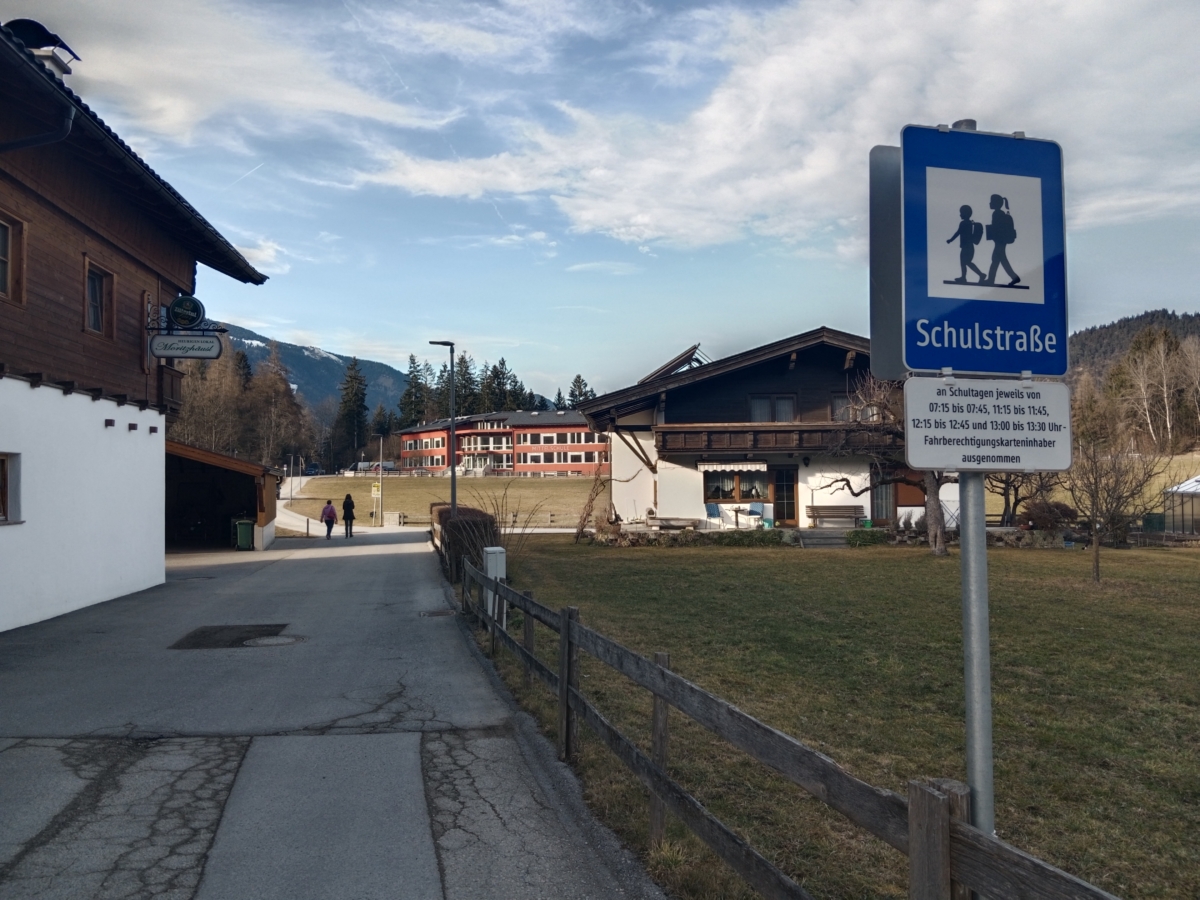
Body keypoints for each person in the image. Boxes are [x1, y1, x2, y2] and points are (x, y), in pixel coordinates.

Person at [985, 193, 1020, 286]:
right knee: (997, 260)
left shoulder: (996, 213)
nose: (989, 203)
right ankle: (991, 279)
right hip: (1000, 240)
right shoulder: (999, 213)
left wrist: (993, 235)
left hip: (999, 240)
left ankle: (1014, 277)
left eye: (991, 202)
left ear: (996, 203)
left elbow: (997, 227)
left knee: (1000, 260)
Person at [946, 204, 985, 283]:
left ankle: (980, 274)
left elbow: (958, 233)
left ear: (966, 213)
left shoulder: (964, 223)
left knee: (966, 262)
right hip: (967, 247)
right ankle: (964, 277)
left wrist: (950, 240)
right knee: (963, 262)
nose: (960, 214)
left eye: (961, 213)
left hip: (967, 247)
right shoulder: (970, 223)